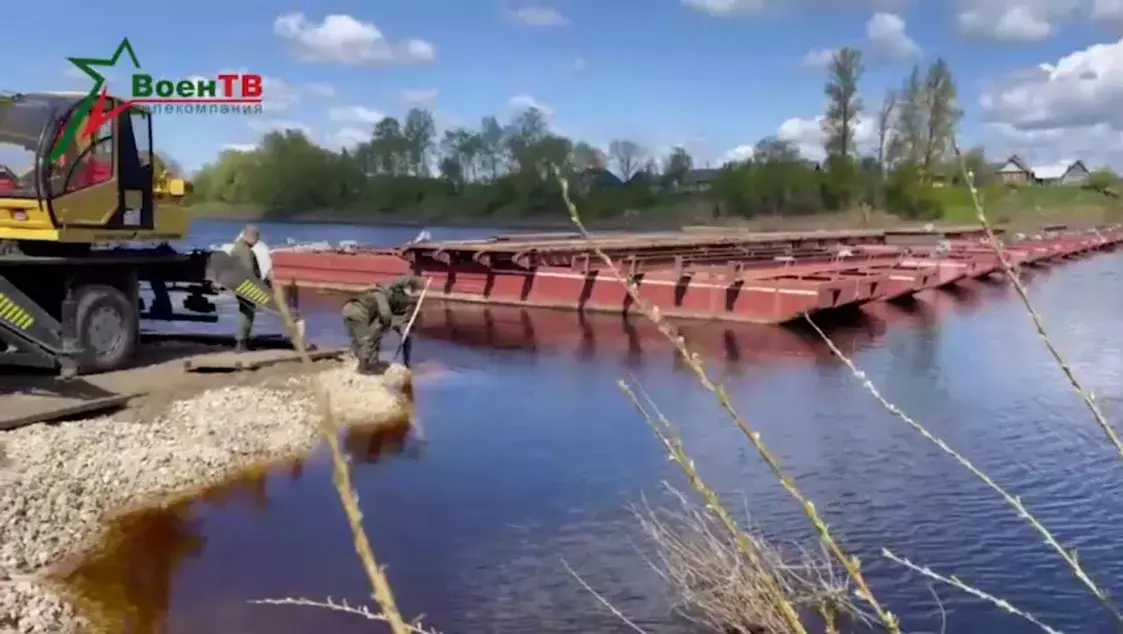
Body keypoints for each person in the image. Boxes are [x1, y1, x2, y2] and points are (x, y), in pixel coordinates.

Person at [341, 275, 424, 374]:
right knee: (365, 339)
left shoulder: (387, 295)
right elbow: (385, 314)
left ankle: (365, 362)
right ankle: (362, 369)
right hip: (358, 312)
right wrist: (388, 325)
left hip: (352, 311)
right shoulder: (380, 294)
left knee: (362, 339)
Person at [231, 225, 263, 352]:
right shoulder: (245, 251)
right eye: (256, 238)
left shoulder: (238, 248)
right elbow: (249, 271)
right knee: (247, 312)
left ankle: (242, 341)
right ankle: (241, 342)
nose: (256, 242)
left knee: (244, 311)